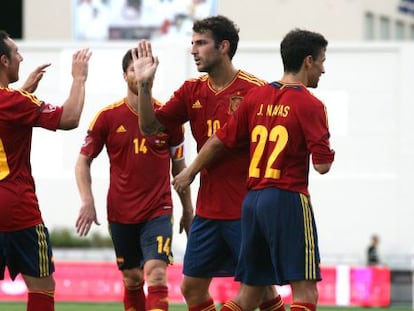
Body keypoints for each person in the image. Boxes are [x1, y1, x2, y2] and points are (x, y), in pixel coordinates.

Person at [172, 28, 335, 311]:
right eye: (322, 60)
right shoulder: (311, 104)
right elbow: (322, 165)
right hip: (287, 198)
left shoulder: (255, 97)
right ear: (308, 61)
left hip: (252, 202)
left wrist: (190, 172)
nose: (323, 69)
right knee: (306, 291)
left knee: (249, 295)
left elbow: (219, 140)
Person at [132, 15, 280, 311]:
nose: (193, 50)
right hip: (209, 211)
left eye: (201, 43)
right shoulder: (192, 90)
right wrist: (145, 87)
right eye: (192, 43)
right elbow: (150, 128)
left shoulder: (256, 91)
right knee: (192, 288)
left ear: (224, 46)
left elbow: (224, 143)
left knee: (259, 291)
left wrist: (189, 172)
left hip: (246, 208)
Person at [74, 49, 193, 311]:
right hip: (121, 213)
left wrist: (188, 208)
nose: (140, 75)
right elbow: (83, 160)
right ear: (124, 75)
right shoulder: (107, 117)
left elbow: (179, 167)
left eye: (145, 70)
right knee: (132, 278)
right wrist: (87, 200)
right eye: (134, 70)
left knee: (157, 273)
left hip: (158, 211)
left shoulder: (168, 117)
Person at [0, 30, 91, 311]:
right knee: (42, 289)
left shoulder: (14, 101)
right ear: (4, 61)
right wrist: (79, 78)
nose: (21, 57)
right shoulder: (14, 103)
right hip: (18, 210)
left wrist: (23, 93)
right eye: (16, 53)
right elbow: (70, 117)